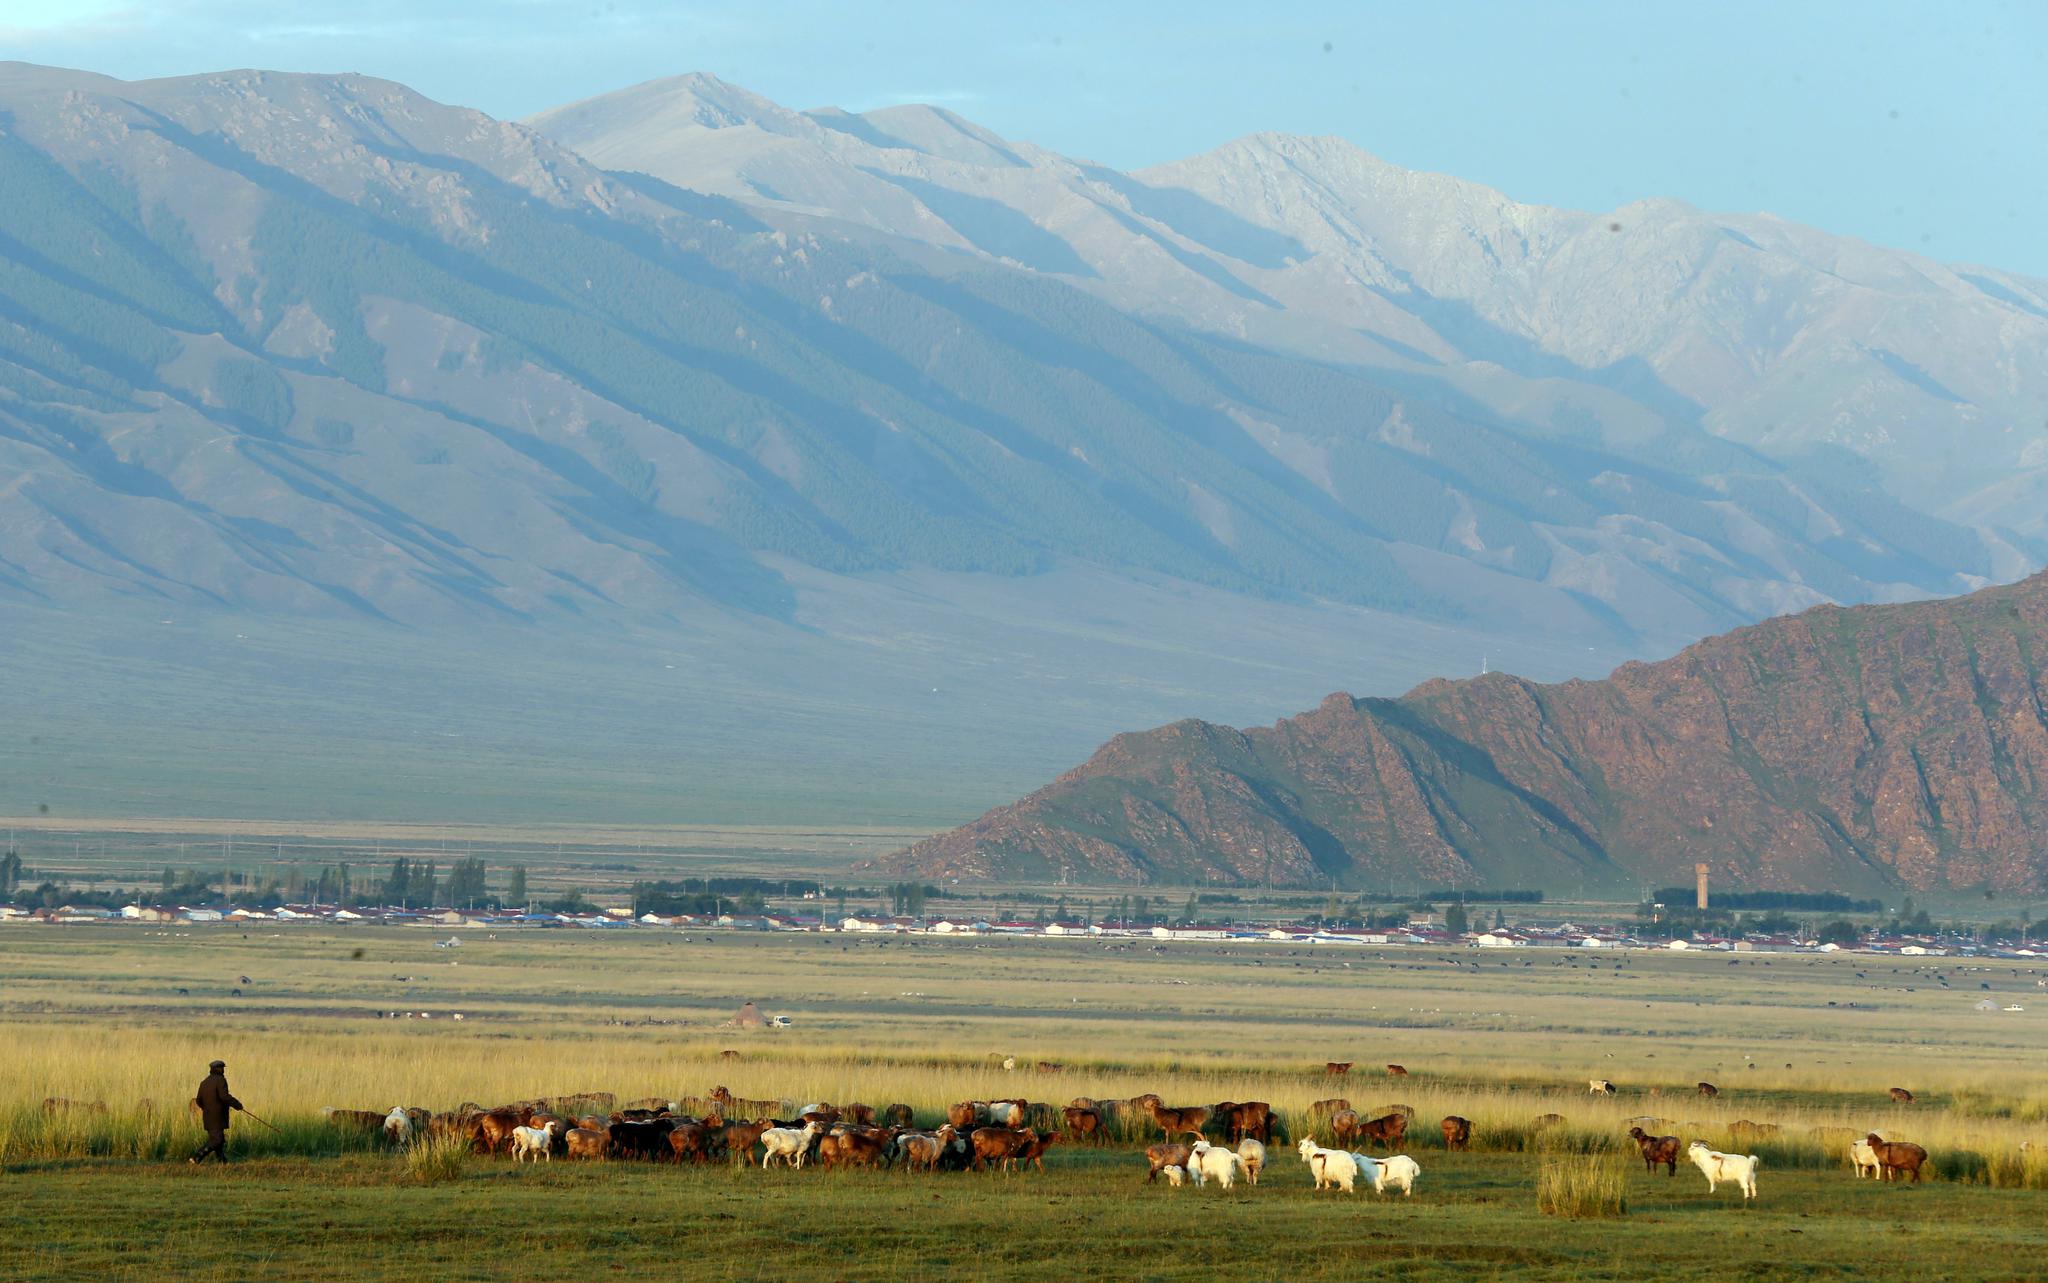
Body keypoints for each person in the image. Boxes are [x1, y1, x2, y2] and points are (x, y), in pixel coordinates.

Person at [189, 1059, 243, 1164]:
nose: (223, 1070)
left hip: (207, 1116)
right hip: (218, 1116)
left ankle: (223, 1162)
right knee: (217, 1140)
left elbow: (199, 1100)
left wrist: (207, 1109)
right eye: (222, 1068)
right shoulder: (221, 1080)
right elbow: (224, 1096)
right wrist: (237, 1105)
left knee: (218, 1139)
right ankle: (196, 1157)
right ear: (217, 1069)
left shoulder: (204, 1082)